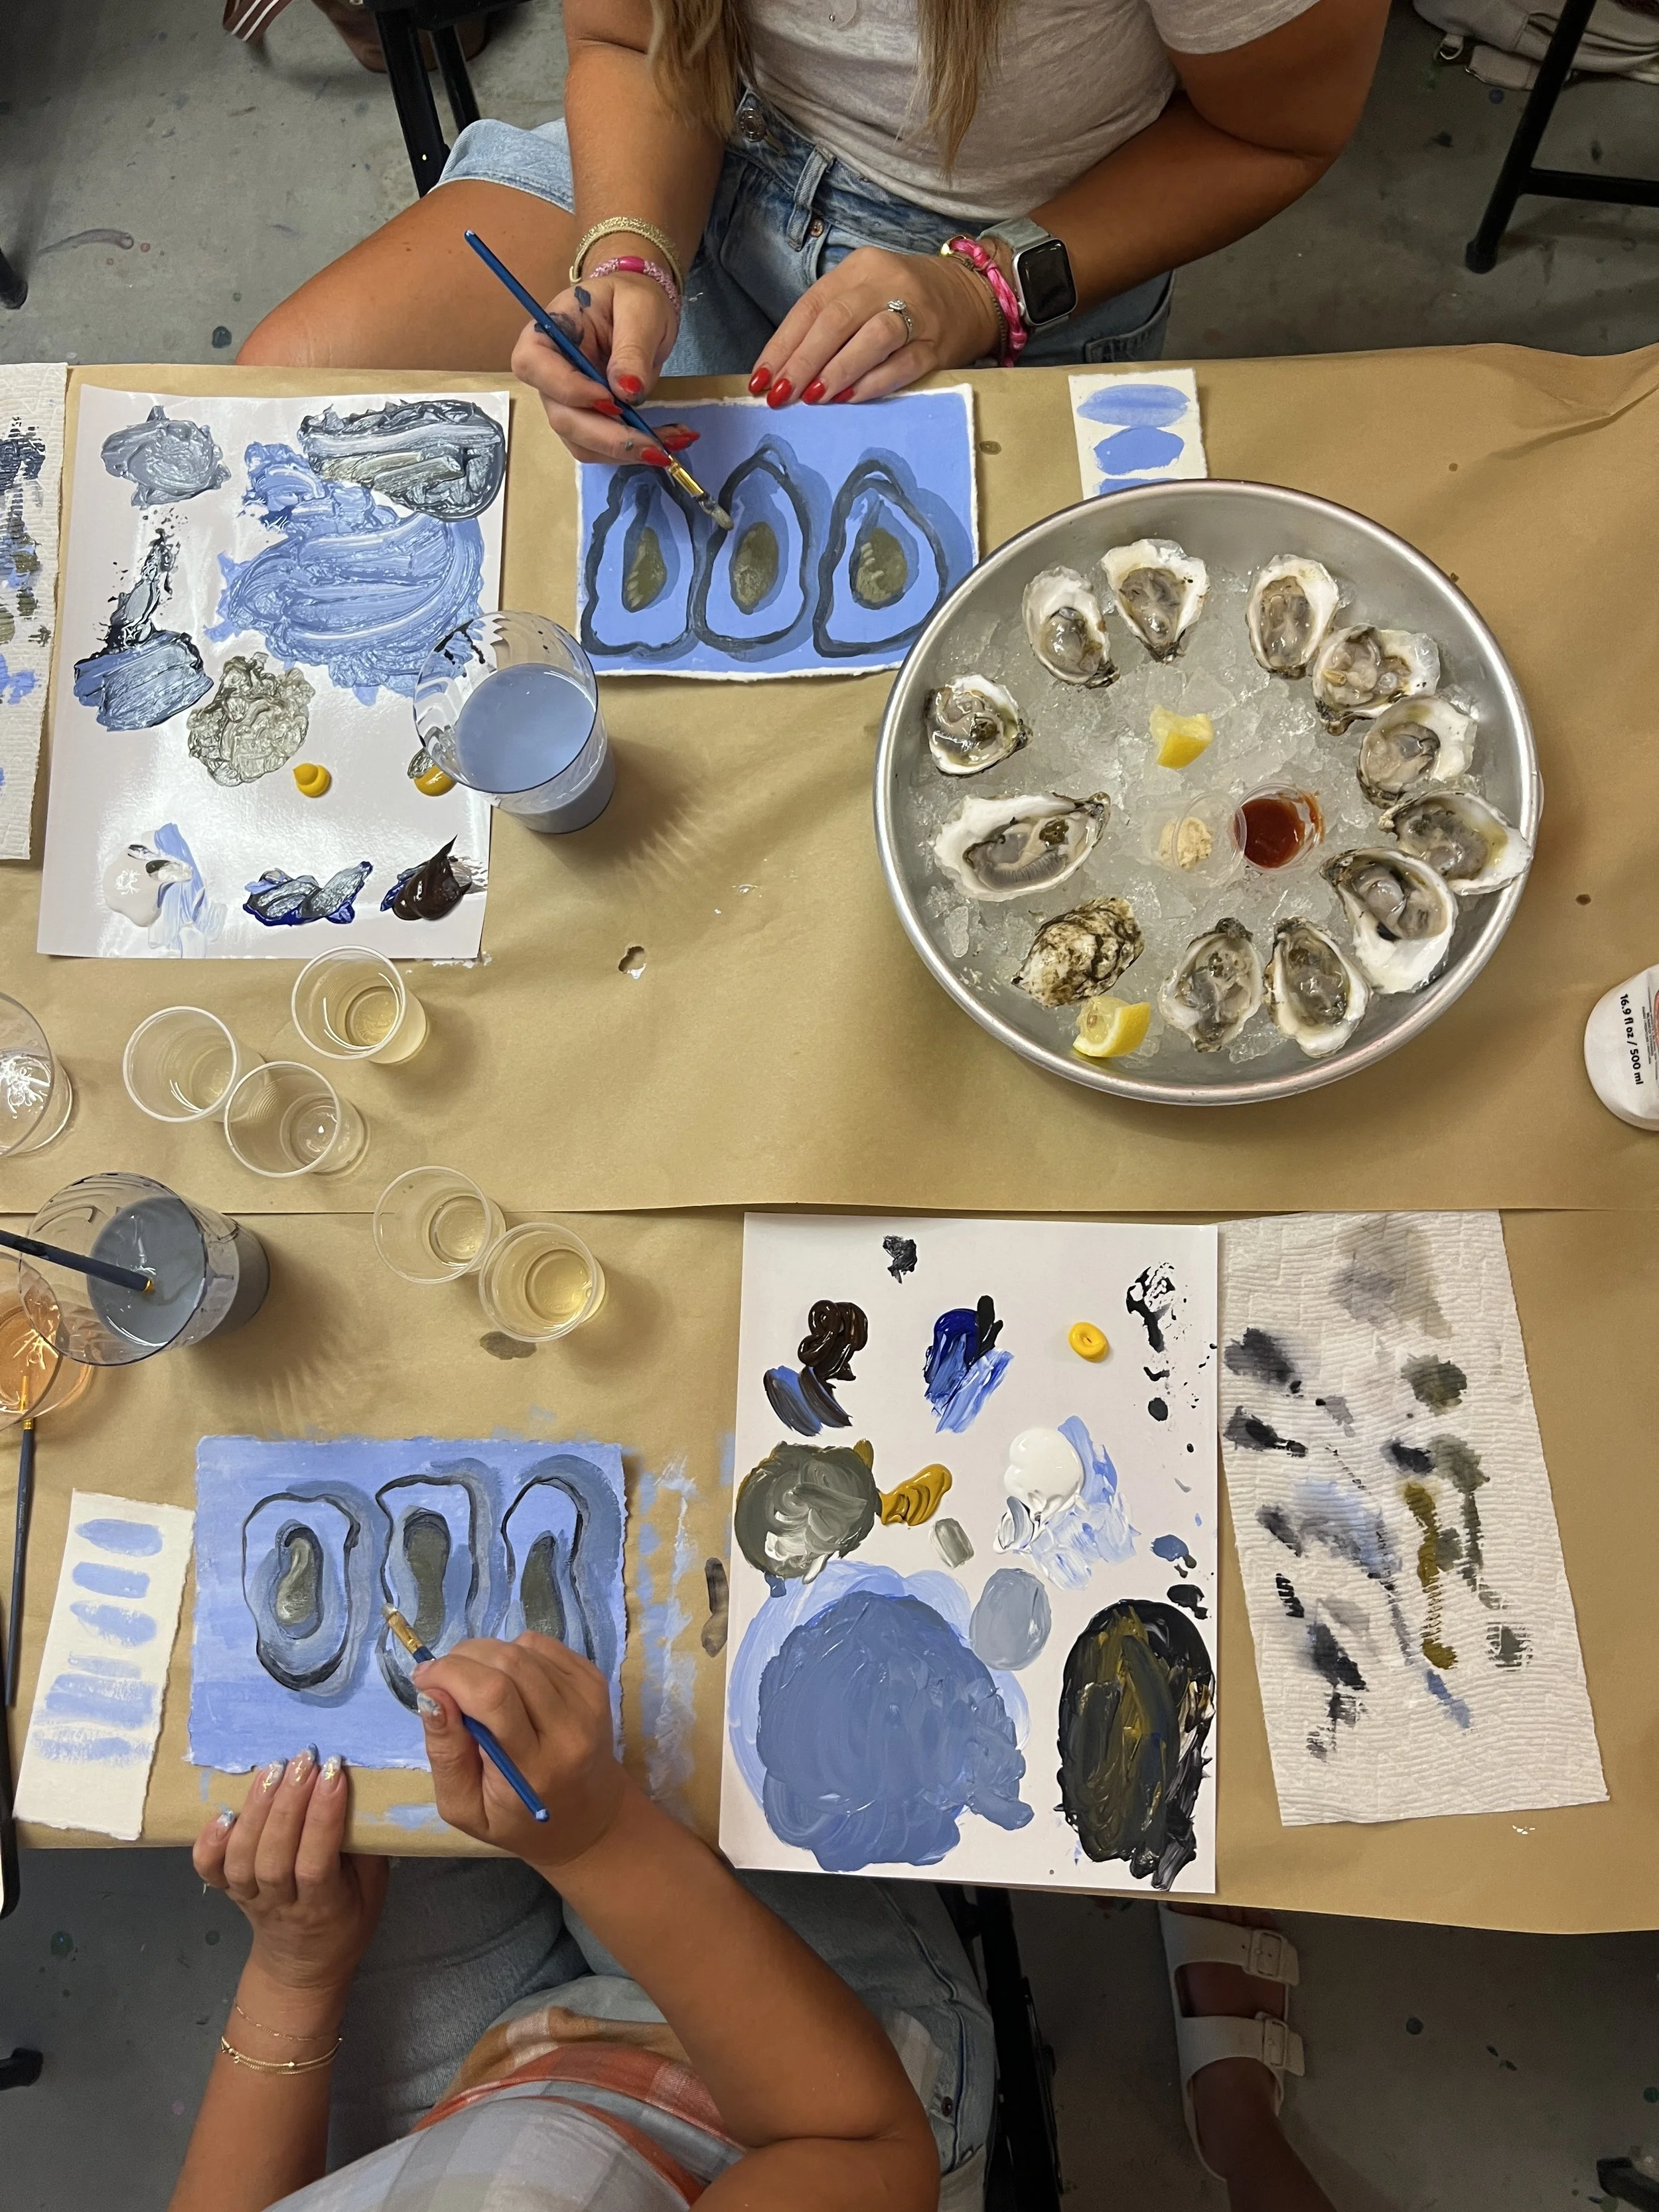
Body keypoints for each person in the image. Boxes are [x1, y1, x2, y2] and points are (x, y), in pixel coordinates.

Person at [168, 1629, 1333, 2211]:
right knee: (740, 1713)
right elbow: (861, 2146)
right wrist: (597, 1842)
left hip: (460, 2110)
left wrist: (298, 1969)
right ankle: (1242, 2133)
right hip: (789, 2100)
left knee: (397, 1733)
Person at [240, 0, 1388, 469]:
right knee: (288, 410)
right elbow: (633, 38)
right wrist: (630, 253)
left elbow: (1274, 135)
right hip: (712, 130)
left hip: (1007, 241)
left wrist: (982, 285)